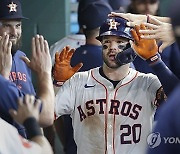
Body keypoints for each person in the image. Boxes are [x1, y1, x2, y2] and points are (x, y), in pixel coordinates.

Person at [53, 16, 166, 154]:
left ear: (132, 47)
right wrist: (57, 85)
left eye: (120, 42)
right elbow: (47, 114)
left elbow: (176, 99)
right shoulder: (79, 81)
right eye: (107, 42)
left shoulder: (148, 82)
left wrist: (155, 60)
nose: (112, 47)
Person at [53, 1, 113, 153]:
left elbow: (55, 113)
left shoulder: (67, 60)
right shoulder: (116, 61)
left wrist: (67, 142)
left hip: (75, 147)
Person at [0, 0, 54, 138]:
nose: (14, 32)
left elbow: (36, 108)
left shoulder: (22, 58)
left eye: (18, 25)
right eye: (6, 25)